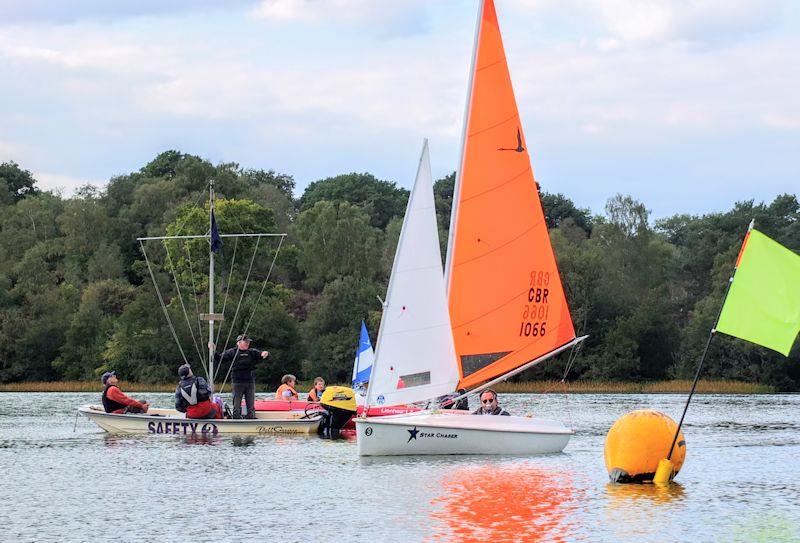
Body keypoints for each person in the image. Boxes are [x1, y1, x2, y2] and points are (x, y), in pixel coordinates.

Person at [210, 334, 269, 419]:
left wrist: (266, 353)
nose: (248, 343)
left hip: (250, 381)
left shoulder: (252, 352)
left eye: (248, 342)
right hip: (237, 382)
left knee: (251, 405)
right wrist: (213, 350)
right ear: (239, 343)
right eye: (246, 342)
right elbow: (219, 359)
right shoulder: (232, 352)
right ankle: (236, 418)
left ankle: (251, 418)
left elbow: (262, 355)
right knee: (237, 405)